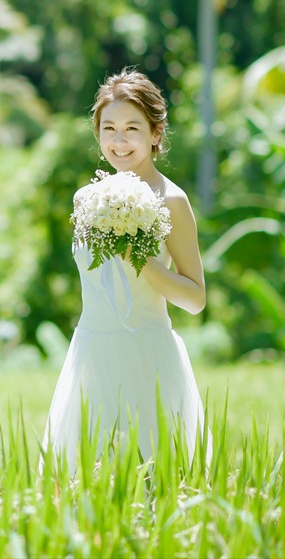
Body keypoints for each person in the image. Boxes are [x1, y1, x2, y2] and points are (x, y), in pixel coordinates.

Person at [42, 69, 208, 475]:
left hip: (147, 355)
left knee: (152, 479)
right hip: (91, 354)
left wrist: (143, 261)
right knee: (82, 480)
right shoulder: (86, 200)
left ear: (155, 133)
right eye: (109, 128)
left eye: (132, 128)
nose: (119, 141)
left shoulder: (172, 201)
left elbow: (195, 299)